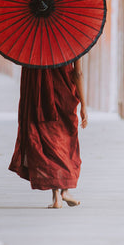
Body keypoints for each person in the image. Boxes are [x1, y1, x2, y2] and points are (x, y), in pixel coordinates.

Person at [8, 59, 88, 208]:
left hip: (40, 99)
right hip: (64, 96)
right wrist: (84, 104)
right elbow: (78, 73)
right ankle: (65, 190)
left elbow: (28, 73)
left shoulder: (34, 45)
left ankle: (56, 196)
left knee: (48, 142)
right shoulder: (71, 42)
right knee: (66, 142)